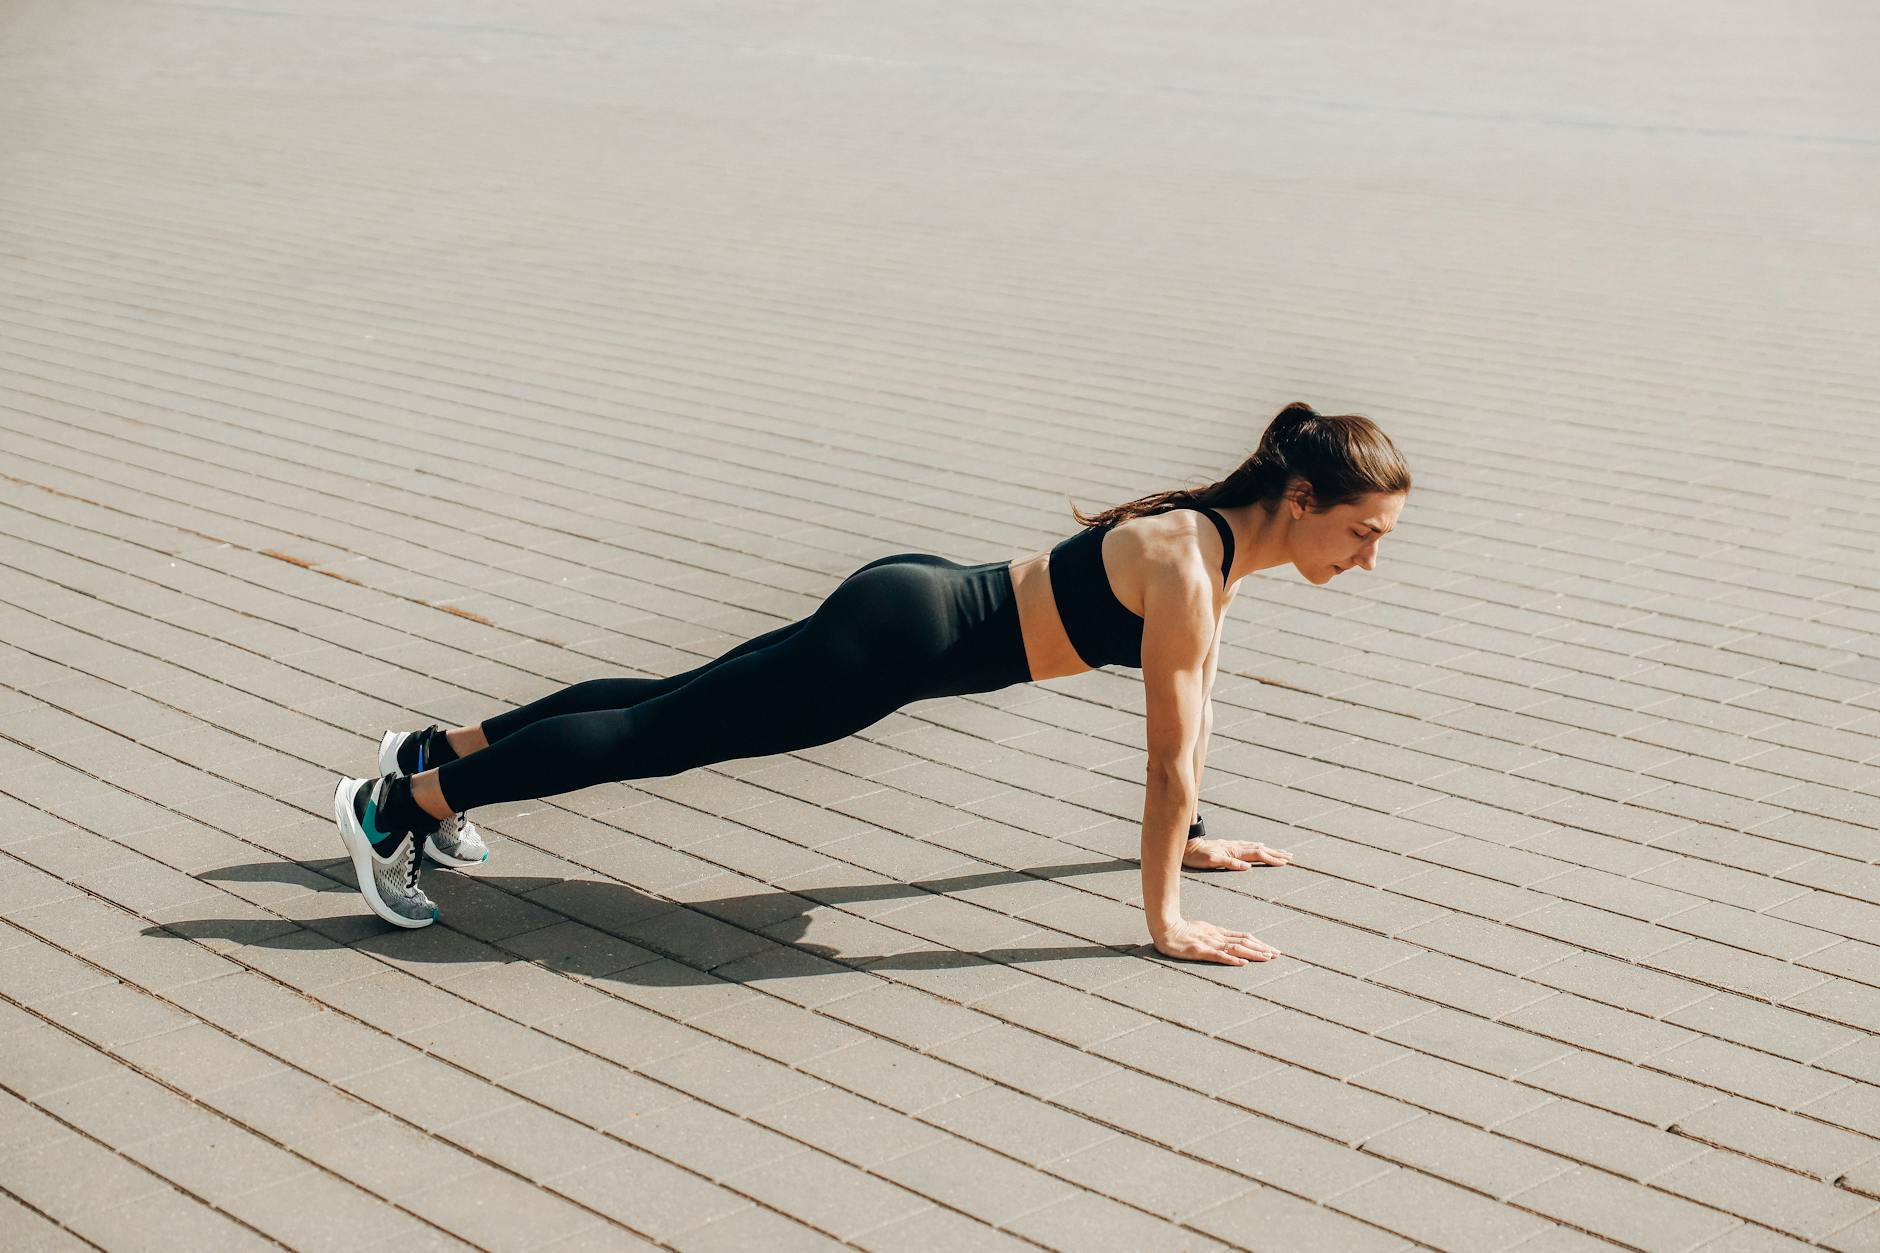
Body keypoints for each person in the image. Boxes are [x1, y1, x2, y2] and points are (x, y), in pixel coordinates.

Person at [332, 402, 1410, 965]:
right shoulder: (1187, 564)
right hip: (891, 647)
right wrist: (1164, 916)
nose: (1368, 560)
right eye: (1361, 533)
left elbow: (1194, 731)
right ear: (1303, 497)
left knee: (669, 697)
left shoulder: (1211, 552)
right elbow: (1169, 754)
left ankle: (437, 751)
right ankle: (396, 807)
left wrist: (1190, 837)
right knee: (657, 734)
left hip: (907, 598)